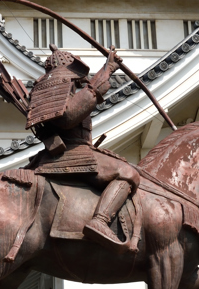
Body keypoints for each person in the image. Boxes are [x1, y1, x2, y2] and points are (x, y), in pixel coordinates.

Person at [23, 44, 140, 249]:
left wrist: (106, 70)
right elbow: (69, 116)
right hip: (71, 153)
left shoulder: (53, 86)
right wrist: (106, 71)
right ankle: (100, 220)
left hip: (77, 149)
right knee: (128, 173)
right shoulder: (57, 85)